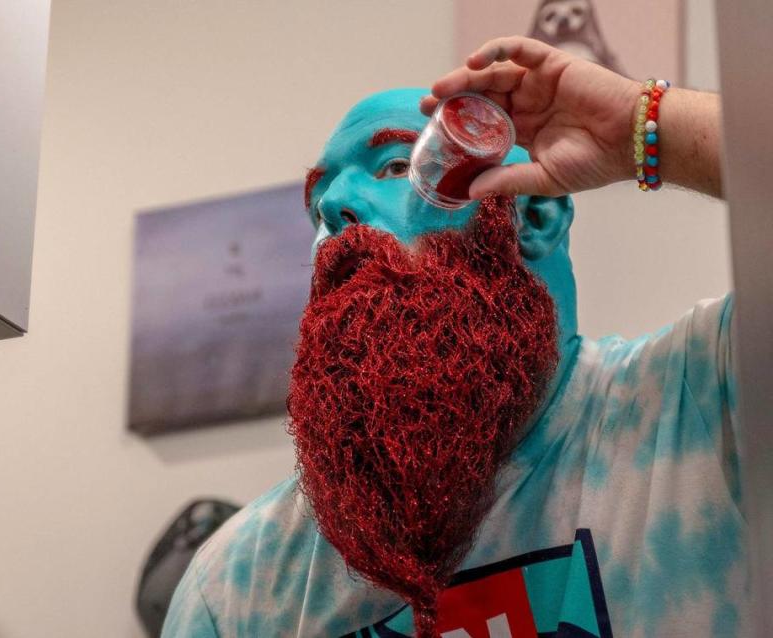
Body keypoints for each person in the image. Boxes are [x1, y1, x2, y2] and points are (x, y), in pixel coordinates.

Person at [162, 36, 742, 637]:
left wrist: (641, 127)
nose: (335, 209)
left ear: (534, 216)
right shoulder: (238, 589)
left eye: (393, 166)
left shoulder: (706, 403)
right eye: (317, 208)